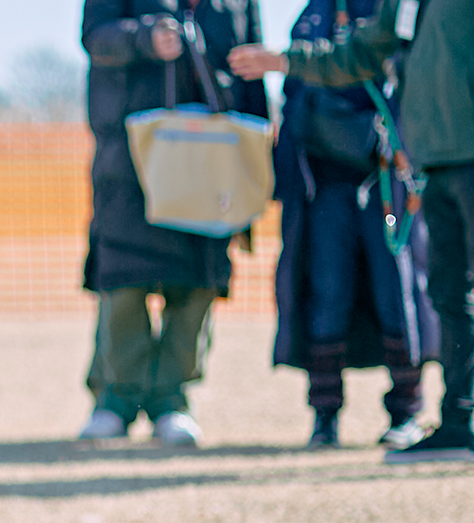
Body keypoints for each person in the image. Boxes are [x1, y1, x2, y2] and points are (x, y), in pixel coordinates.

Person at [231, 0, 474, 463]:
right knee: (448, 293)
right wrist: (284, 61)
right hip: (435, 163)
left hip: (462, 157)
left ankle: (425, 411)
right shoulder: (402, 5)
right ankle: (460, 420)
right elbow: (358, 56)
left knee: (422, 293)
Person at [79, 0, 269, 448]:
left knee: (199, 285)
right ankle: (116, 399)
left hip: (214, 158)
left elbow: (251, 68)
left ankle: (172, 399)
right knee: (124, 283)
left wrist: (261, 147)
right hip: (130, 160)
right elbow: (95, 38)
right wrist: (143, 38)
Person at [269, 0, 436, 449]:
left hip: (383, 189)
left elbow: (411, 79)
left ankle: (406, 411)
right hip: (324, 190)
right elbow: (294, 95)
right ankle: (325, 414)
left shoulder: (394, 10)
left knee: (394, 288)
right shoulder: (314, 14)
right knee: (328, 292)